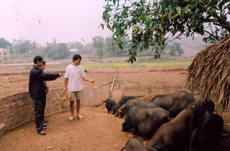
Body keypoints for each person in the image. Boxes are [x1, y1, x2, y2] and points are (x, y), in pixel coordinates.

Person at [29, 56, 62, 135]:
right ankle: (39, 129)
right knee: (38, 111)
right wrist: (57, 75)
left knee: (40, 110)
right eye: (41, 62)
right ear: (38, 61)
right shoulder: (35, 71)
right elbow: (46, 76)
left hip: (40, 93)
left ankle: (40, 125)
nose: (42, 63)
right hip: (36, 94)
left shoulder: (37, 70)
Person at [64, 54, 95, 121]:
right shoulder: (68, 67)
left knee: (78, 101)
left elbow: (84, 77)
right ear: (74, 60)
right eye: (78, 60)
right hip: (71, 89)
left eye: (80, 61)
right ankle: (72, 115)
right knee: (72, 102)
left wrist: (90, 80)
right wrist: (65, 87)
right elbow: (66, 78)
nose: (79, 62)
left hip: (79, 88)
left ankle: (78, 114)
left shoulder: (80, 68)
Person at [39, 61, 49, 125]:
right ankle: (40, 121)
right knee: (39, 108)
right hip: (39, 93)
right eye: (43, 65)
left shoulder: (41, 72)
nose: (44, 67)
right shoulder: (38, 73)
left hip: (43, 92)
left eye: (44, 65)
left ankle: (42, 119)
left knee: (43, 106)